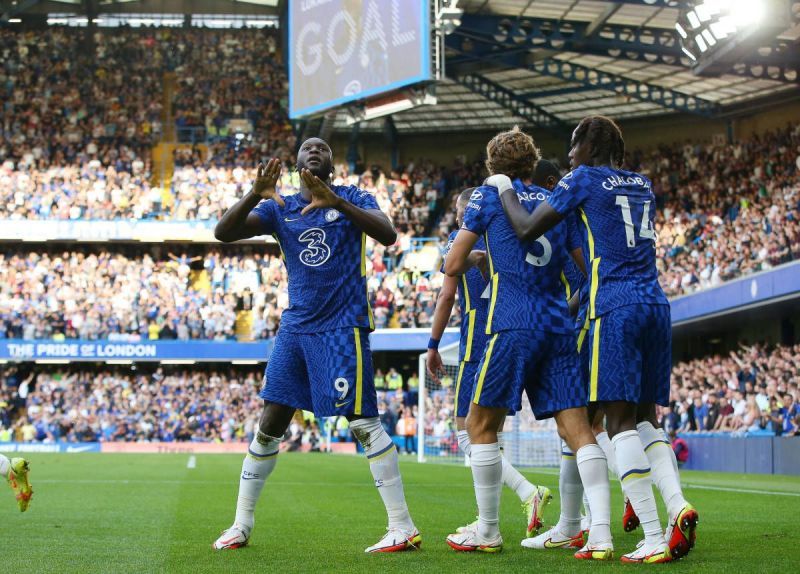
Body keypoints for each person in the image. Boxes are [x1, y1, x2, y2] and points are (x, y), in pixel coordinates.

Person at [494, 116, 697, 563]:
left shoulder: (582, 178)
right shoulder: (642, 183)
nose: (568, 155)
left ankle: (651, 535)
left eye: (573, 143)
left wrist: (502, 185)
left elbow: (527, 227)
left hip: (615, 306)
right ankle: (677, 505)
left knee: (617, 423)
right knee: (647, 421)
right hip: (656, 304)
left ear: (592, 143)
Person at [212, 138, 420, 553]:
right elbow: (223, 233)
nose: (314, 150)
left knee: (362, 421)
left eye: (322, 148)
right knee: (270, 424)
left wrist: (337, 204)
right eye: (307, 147)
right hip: (297, 328)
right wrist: (255, 191)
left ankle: (402, 526)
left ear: (331, 164)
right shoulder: (279, 207)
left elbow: (388, 234)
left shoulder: (353, 197)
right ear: (295, 163)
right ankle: (241, 524)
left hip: (342, 325)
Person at [443, 127, 613, 559]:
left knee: (479, 426)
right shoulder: (557, 201)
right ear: (533, 162)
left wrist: (482, 256)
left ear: (492, 165)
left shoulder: (486, 198)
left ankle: (487, 530)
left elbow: (452, 262)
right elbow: (583, 266)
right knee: (579, 430)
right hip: (557, 324)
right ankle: (601, 535)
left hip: (512, 322)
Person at [427, 186, 552, 539]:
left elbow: (447, 295)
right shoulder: (508, 234)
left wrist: (433, 344)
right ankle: (578, 515)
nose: (455, 215)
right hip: (522, 329)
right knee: (488, 433)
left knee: (468, 433)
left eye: (457, 209)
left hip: (478, 342)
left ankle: (522, 497)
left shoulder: (460, 239)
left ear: (465, 212)